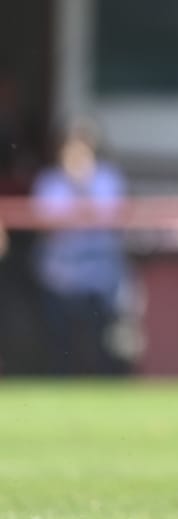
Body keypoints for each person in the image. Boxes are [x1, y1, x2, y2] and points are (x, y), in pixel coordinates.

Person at [30, 119, 130, 376]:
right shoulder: (49, 182)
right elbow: (46, 223)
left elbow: (111, 218)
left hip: (99, 278)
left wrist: (82, 188)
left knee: (101, 345)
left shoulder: (107, 180)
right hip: (59, 278)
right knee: (59, 344)